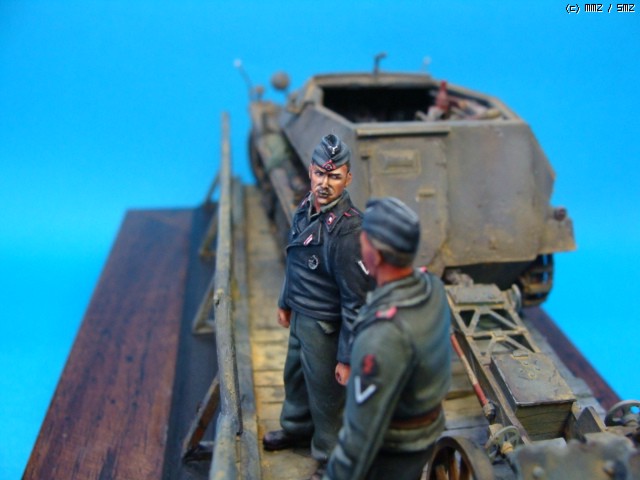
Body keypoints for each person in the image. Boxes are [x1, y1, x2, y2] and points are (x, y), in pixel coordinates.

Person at [262, 134, 372, 470]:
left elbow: (356, 301)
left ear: (347, 179)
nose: (325, 184)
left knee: (327, 397)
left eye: (334, 176)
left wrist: (347, 357)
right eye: (320, 174)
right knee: (294, 378)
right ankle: (296, 429)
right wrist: (285, 302)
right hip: (300, 316)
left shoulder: (349, 231)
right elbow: (295, 261)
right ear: (310, 172)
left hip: (326, 327)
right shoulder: (305, 209)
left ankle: (329, 457)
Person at [323, 197, 452, 480]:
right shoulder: (433, 287)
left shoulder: (380, 338)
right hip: (428, 428)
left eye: (364, 238)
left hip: (394, 448)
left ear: (376, 255)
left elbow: (359, 437)